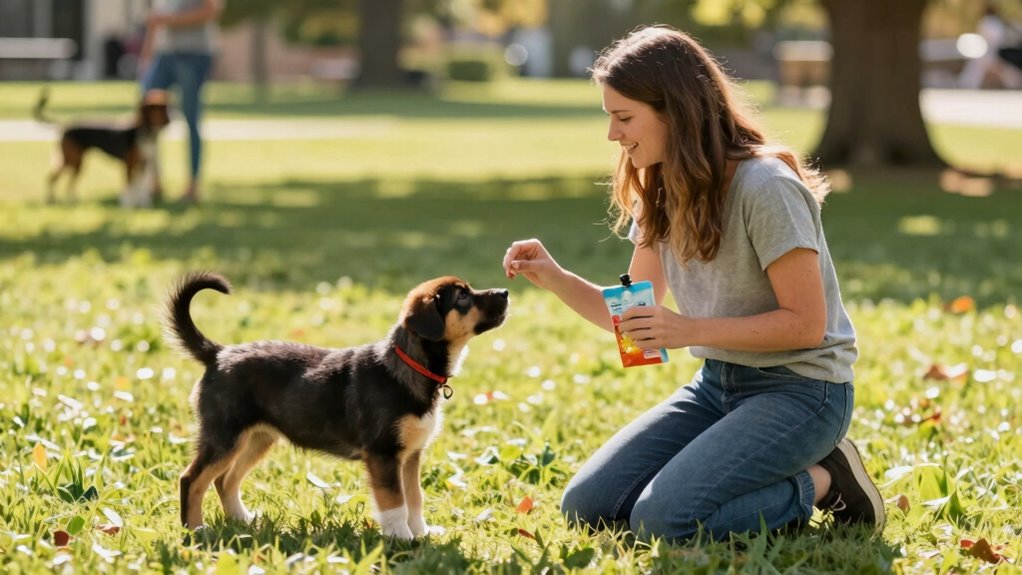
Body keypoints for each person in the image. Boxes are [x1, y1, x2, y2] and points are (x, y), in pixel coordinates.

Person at [501, 25, 885, 542]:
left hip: (802, 392)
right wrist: (557, 278)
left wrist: (687, 329)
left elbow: (807, 326)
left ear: (676, 111)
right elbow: (634, 316)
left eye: (624, 117)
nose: (613, 135)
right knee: (586, 507)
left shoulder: (766, 186)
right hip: (717, 387)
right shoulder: (662, 184)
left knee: (663, 522)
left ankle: (824, 479)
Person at [139, 0, 221, 204]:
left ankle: (192, 185)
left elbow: (211, 10)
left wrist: (170, 20)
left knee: (190, 117)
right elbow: (155, 20)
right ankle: (154, 181)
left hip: (193, 54)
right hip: (164, 54)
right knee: (146, 117)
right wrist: (147, 53)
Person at [959, 2, 1022, 89]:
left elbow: (994, 38)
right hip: (987, 52)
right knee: (978, 69)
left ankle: (1014, 82)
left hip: (990, 52)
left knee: (990, 70)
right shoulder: (991, 22)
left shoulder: (989, 22)